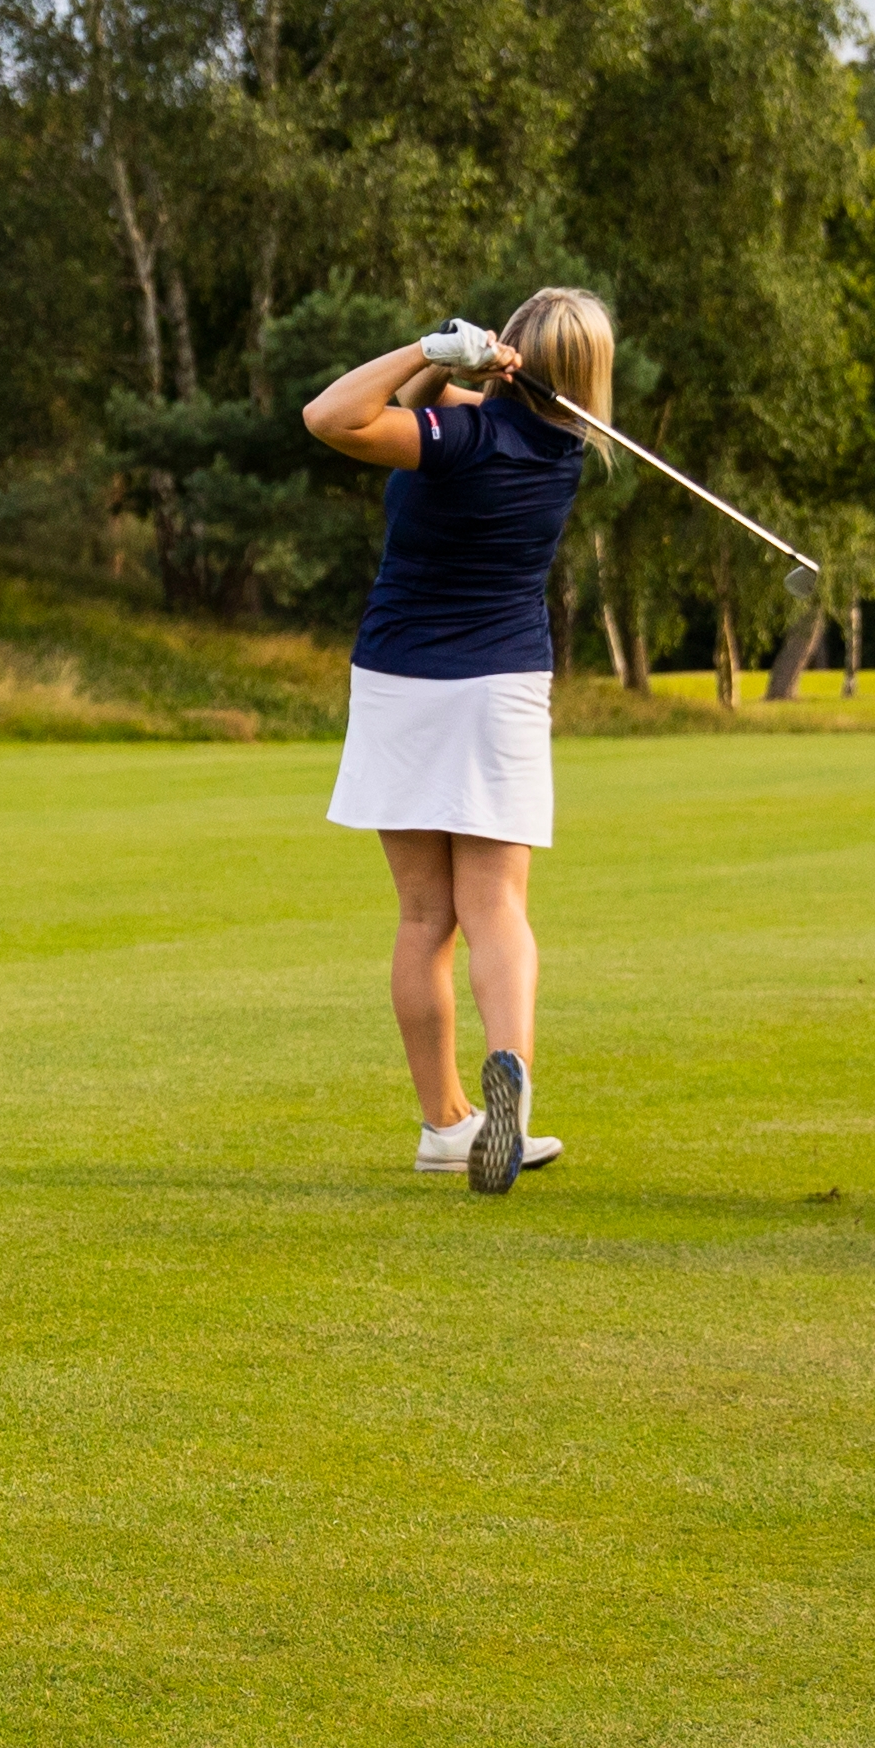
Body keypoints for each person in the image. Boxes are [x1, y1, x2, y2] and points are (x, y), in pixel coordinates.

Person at [301, 291, 614, 1195]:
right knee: (497, 910)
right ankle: (508, 1069)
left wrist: (424, 347)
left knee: (423, 918)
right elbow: (434, 411)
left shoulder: (468, 437)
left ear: (512, 347)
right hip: (501, 690)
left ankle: (445, 1121)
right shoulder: (562, 452)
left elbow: (334, 417)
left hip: (400, 681)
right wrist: (452, 367)